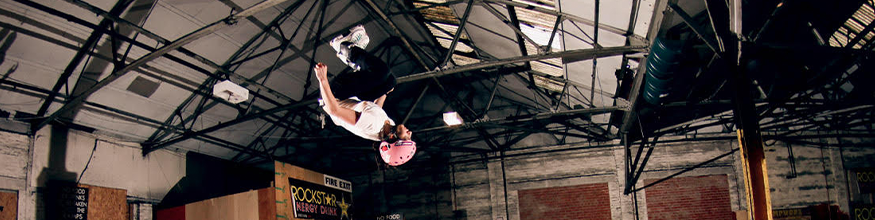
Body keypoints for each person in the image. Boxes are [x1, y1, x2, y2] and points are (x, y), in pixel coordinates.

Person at [314, 25, 416, 166]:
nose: (410, 132)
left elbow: (334, 110)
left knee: (381, 72)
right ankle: (355, 58)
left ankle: (345, 47)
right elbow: (375, 109)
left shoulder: (371, 125)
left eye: (407, 137)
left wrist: (322, 79)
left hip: (331, 96)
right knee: (390, 82)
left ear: (393, 138)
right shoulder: (388, 127)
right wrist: (384, 92)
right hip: (353, 98)